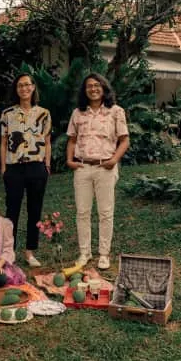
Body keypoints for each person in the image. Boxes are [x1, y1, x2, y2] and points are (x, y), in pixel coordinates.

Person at [66, 73, 130, 270]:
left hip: (105, 168)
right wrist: (69, 160)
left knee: (105, 212)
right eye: (89, 86)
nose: (93, 89)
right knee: (82, 212)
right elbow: (72, 139)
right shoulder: (78, 113)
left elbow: (124, 140)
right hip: (83, 168)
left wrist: (114, 160)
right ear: (84, 91)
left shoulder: (116, 111)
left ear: (103, 88)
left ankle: (104, 254)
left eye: (97, 85)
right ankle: (84, 253)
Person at [0, 73, 52, 267]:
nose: (24, 88)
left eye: (27, 85)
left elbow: (47, 142)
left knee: (34, 209)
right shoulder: (7, 114)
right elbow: (3, 143)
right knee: (12, 210)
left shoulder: (44, 113)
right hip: (14, 167)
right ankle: (9, 252)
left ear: (33, 87)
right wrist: (4, 167)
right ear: (16, 89)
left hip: (37, 167)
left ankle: (30, 251)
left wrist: (47, 164)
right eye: (20, 85)